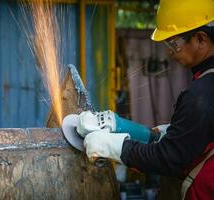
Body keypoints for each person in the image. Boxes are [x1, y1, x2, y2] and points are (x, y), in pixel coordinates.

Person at [79, 0, 214, 199]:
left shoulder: (202, 94)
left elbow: (169, 158)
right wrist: (121, 125)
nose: (169, 51)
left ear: (201, 39)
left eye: (173, 43)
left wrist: (113, 146)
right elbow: (198, 135)